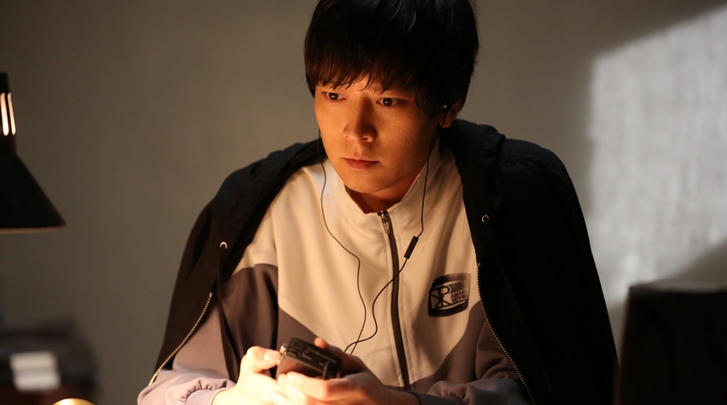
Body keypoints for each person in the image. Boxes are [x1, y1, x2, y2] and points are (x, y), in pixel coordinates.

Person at [138, 0, 618, 404]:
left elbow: (562, 389)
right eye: (333, 95)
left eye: (387, 100)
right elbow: (163, 391)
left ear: (448, 104)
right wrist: (230, 400)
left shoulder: (515, 197)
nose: (355, 131)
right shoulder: (258, 209)